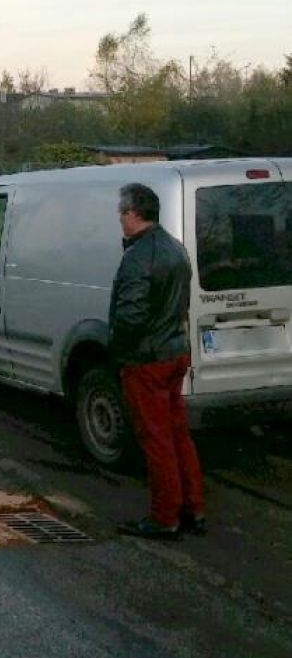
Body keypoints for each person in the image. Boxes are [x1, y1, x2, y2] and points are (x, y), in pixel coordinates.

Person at [111, 183, 204, 540]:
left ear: (133, 214)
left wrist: (119, 350)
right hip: (175, 352)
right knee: (178, 433)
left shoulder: (138, 257)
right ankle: (193, 507)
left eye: (122, 213)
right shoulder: (175, 249)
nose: (119, 220)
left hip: (147, 359)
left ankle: (165, 517)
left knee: (156, 438)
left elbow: (130, 317)